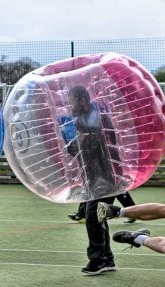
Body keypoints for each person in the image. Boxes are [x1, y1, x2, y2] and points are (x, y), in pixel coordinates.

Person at [67, 86, 117, 274]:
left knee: (93, 217)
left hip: (104, 176)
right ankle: (107, 259)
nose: (69, 105)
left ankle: (98, 260)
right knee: (98, 217)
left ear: (82, 101)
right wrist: (75, 145)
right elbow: (81, 146)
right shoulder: (80, 118)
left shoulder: (97, 117)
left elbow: (106, 143)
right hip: (93, 176)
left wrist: (82, 141)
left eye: (71, 100)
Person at [68, 192, 137, 223]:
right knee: (90, 188)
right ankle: (82, 214)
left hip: (113, 170)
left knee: (118, 189)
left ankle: (133, 213)